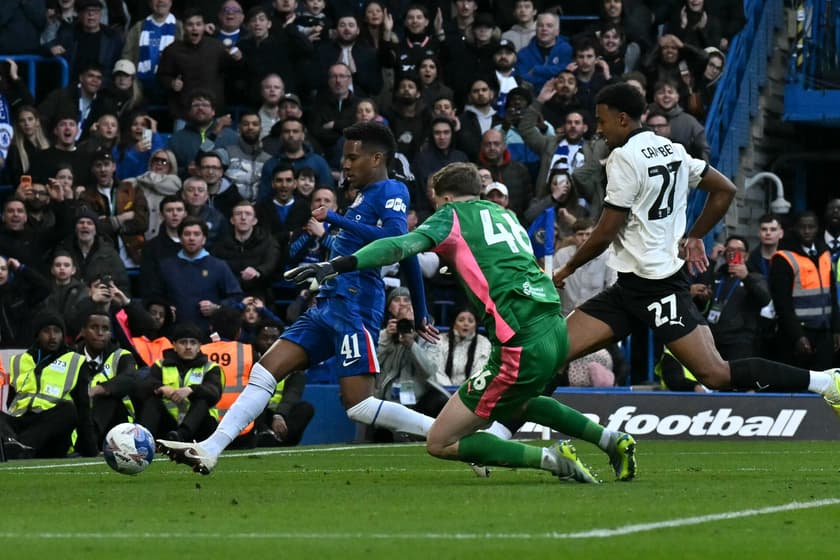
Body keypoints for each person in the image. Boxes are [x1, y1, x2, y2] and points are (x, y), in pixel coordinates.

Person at [283, 161, 636, 483]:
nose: (435, 211)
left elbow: (398, 247)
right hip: (554, 327)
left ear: (448, 198)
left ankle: (555, 460)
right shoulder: (505, 216)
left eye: (437, 203)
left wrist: (335, 265)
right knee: (521, 401)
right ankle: (611, 439)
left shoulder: (451, 215)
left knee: (440, 440)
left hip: (520, 339)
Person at [157, 121, 436, 474]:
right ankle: (210, 449)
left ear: (377, 158)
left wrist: (336, 218)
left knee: (359, 406)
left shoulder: (391, 189)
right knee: (263, 373)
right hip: (326, 305)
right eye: (344, 157)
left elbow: (398, 241)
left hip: (355, 307)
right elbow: (406, 250)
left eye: (353, 157)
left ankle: (444, 432)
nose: (345, 164)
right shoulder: (363, 196)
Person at [549, 83, 840, 410]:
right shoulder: (670, 149)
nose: (598, 130)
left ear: (622, 119)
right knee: (552, 353)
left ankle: (827, 382)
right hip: (629, 287)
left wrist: (567, 268)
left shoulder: (623, 158)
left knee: (715, 374)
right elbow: (725, 189)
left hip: (658, 288)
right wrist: (695, 235)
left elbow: (604, 232)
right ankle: (508, 438)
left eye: (601, 121)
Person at [0, 311, 96, 459]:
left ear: (63, 335)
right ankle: (12, 444)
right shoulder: (19, 360)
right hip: (21, 421)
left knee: (69, 409)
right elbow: (12, 401)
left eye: (57, 331)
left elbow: (84, 410)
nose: (52, 337)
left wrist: (91, 451)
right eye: (46, 331)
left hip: (51, 430)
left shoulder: (76, 361)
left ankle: (17, 447)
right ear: (37, 335)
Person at [769, 211, 837, 370]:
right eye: (802, 227)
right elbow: (782, 303)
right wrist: (798, 335)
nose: (807, 231)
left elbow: (832, 295)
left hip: (824, 330)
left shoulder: (824, 253)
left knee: (826, 381)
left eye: (811, 227)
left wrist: (836, 329)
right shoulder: (784, 258)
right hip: (799, 332)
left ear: (817, 229)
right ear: (795, 229)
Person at [137, 322, 224, 441]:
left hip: (201, 428)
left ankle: (181, 435)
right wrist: (160, 388)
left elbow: (214, 392)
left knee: (203, 399)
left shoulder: (210, 367)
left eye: (193, 343)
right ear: (174, 345)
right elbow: (142, 388)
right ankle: (142, 440)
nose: (188, 347)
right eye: (183, 342)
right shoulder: (160, 365)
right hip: (169, 427)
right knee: (152, 401)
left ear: (199, 346)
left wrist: (191, 390)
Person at [693, 235, 771, 361]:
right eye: (730, 250)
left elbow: (765, 300)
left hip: (740, 341)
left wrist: (746, 277)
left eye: (739, 250)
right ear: (724, 253)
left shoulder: (754, 277)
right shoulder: (718, 276)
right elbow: (699, 291)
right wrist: (712, 260)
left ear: (746, 255)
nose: (734, 253)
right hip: (713, 339)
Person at [75, 308, 140, 446]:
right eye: (94, 327)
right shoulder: (71, 356)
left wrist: (99, 389)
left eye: (105, 329)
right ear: (83, 331)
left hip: (118, 424)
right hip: (80, 419)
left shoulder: (122, 355)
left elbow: (131, 379)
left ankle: (88, 443)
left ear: (111, 333)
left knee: (109, 398)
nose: (100, 333)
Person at [433, 307, 491, 388]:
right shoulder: (440, 340)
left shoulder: (484, 343)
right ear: (454, 323)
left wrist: (462, 395)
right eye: (461, 320)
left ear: (475, 325)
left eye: (470, 321)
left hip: (469, 394)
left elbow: (479, 373)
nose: (466, 324)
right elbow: (436, 370)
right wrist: (449, 391)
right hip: (443, 392)